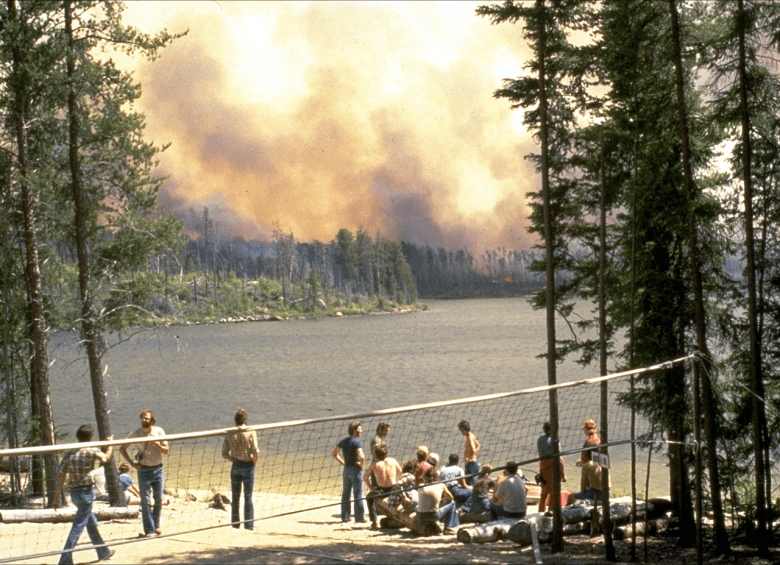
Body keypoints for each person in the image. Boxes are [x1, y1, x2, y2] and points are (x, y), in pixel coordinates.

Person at [53, 424, 115, 564]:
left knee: (90, 523)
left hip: (74, 494)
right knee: (77, 527)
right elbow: (106, 458)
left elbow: (62, 476)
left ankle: (103, 552)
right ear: (90, 437)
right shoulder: (91, 450)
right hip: (86, 493)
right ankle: (65, 559)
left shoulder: (69, 453)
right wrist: (110, 444)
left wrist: (56, 497)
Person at [120, 410, 169, 537]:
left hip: (158, 469)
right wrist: (132, 463)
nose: (144, 420)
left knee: (159, 498)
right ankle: (149, 529)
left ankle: (156, 524)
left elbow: (166, 450)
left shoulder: (159, 431)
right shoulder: (136, 434)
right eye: (142, 418)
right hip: (143, 470)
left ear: (152, 419)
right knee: (146, 500)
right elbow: (122, 448)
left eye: (147, 418)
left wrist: (157, 444)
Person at [222, 408, 259, 530]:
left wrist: (233, 459)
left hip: (236, 465)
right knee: (248, 496)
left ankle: (235, 523)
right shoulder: (250, 431)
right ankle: (248, 525)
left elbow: (224, 453)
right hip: (248, 465)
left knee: (235, 495)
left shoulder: (230, 433)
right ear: (246, 420)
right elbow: (255, 451)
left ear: (235, 420)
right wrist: (253, 462)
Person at [332, 420, 366, 523]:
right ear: (355, 430)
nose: (361, 430)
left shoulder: (344, 441)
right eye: (360, 429)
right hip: (355, 470)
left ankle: (345, 517)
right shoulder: (356, 442)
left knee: (346, 493)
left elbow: (334, 454)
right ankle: (359, 518)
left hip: (346, 469)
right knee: (358, 493)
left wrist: (343, 463)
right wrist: (361, 465)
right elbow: (362, 456)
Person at [364, 443, 403, 529]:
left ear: (376, 455)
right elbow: (400, 472)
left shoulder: (374, 465)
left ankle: (374, 521)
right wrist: (397, 483)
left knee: (369, 498)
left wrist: (372, 489)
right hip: (393, 488)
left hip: (381, 490)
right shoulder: (392, 461)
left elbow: (365, 478)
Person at [416, 467, 459, 535]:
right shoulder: (441, 485)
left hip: (421, 515)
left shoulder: (420, 486)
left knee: (418, 506)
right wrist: (443, 500)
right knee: (452, 503)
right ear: (437, 477)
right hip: (434, 515)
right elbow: (451, 498)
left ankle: (426, 524)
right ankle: (449, 527)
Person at [537, 421, 567, 513]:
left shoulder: (539, 439)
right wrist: (563, 474)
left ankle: (541, 512)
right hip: (553, 468)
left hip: (543, 466)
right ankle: (551, 511)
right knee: (555, 492)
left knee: (544, 493)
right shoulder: (555, 441)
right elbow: (560, 459)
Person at [458, 420, 481, 486]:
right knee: (473, 482)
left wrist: (469, 458)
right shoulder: (471, 435)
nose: (461, 432)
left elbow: (473, 449)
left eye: (461, 430)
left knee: (470, 484)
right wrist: (474, 456)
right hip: (474, 462)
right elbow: (478, 445)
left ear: (464, 429)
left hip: (471, 464)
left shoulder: (469, 438)